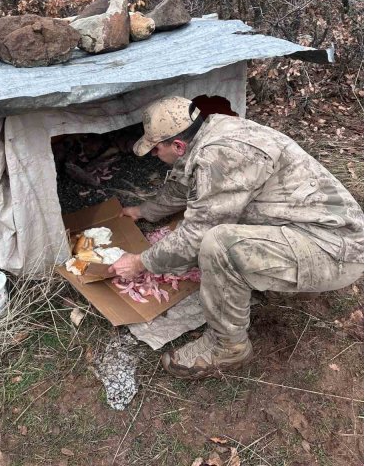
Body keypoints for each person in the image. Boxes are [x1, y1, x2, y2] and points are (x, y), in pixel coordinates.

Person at [108, 96, 364, 378]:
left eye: (156, 149)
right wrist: (144, 211)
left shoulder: (218, 156)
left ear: (178, 145)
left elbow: (196, 235)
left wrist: (140, 262)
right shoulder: (211, 131)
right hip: (314, 226)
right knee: (211, 225)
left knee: (218, 245)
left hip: (335, 249)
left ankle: (227, 348)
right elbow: (184, 182)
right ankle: (276, 276)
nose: (154, 155)